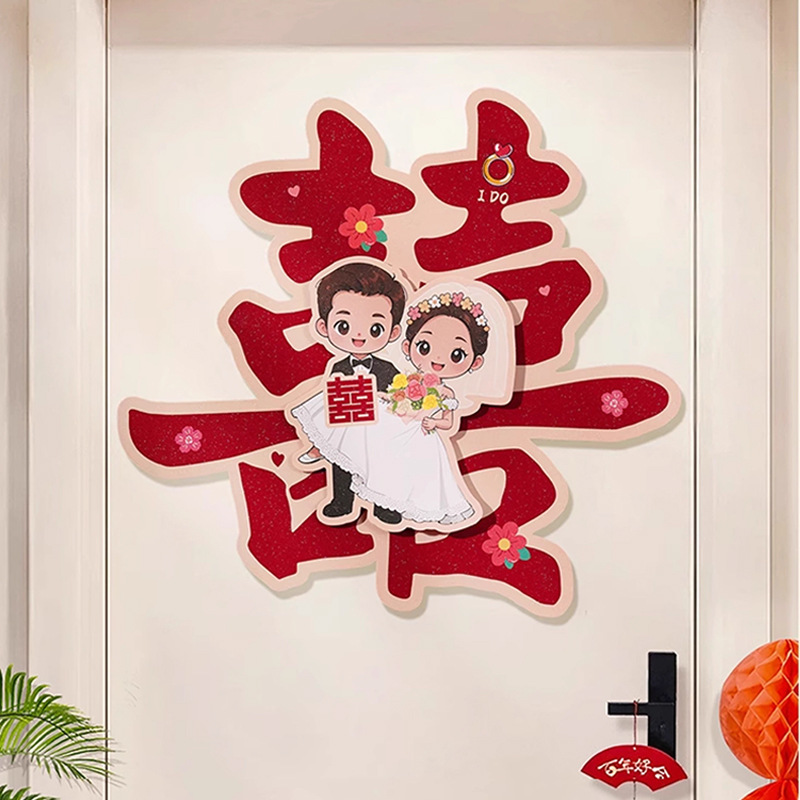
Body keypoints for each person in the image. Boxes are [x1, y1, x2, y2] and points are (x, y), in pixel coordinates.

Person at [290, 261, 406, 524]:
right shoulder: (338, 367)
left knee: (382, 467)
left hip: (378, 433)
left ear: (393, 332)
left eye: (375, 328)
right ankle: (341, 500)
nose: (359, 336)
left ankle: (384, 506)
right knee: (341, 460)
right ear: (323, 327)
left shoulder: (388, 369)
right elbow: (332, 400)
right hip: (348, 428)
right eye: (344, 326)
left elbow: (399, 399)